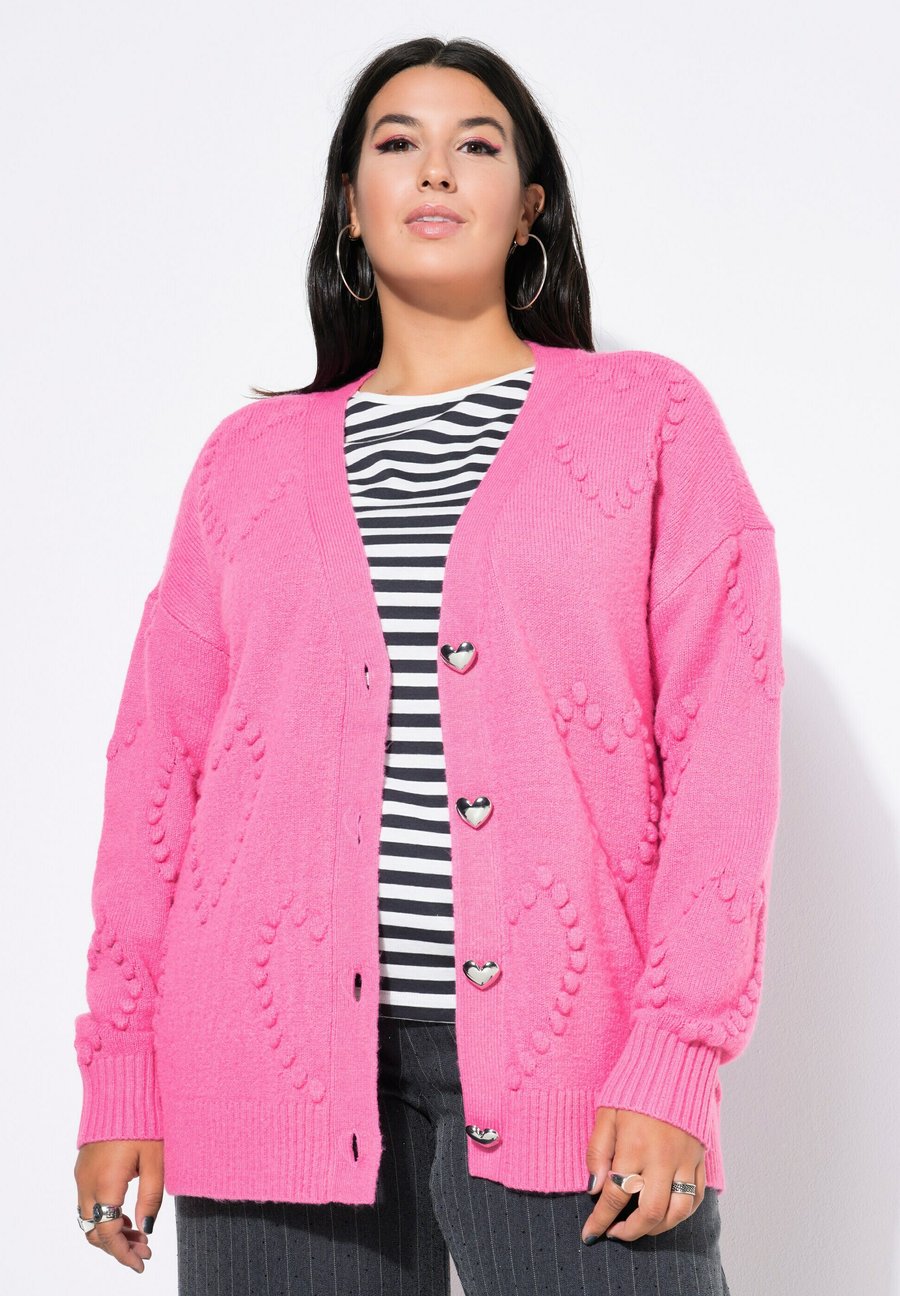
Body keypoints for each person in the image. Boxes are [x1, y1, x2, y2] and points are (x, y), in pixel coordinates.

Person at [73, 35, 784, 1295]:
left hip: (583, 1072)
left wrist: (677, 1052)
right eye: (397, 142)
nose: (436, 168)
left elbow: (726, 747)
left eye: (479, 144)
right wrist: (122, 1067)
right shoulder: (245, 461)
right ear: (351, 208)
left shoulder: (647, 419)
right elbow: (156, 773)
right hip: (261, 1069)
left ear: (531, 207)